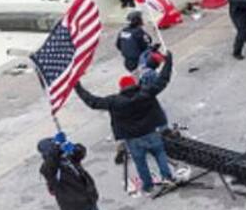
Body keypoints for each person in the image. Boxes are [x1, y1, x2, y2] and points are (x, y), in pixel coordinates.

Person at [74, 52, 174, 194]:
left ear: (121, 88)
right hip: (151, 131)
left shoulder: (114, 101)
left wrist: (77, 86)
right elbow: (163, 80)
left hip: (133, 139)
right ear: (134, 84)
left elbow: (92, 102)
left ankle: (148, 186)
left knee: (141, 163)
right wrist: (168, 62)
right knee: (159, 154)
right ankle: (167, 177)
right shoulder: (147, 93)